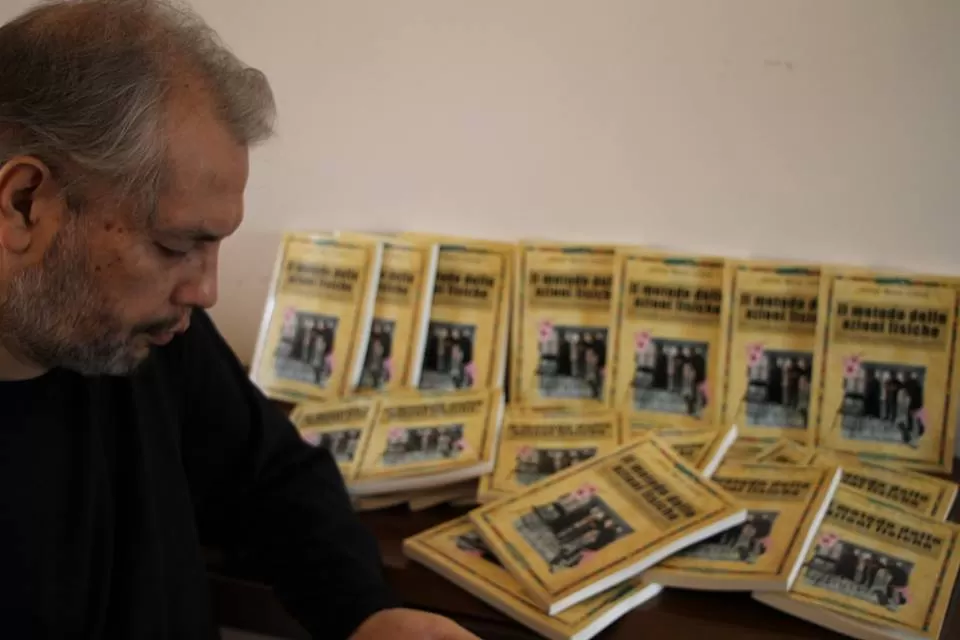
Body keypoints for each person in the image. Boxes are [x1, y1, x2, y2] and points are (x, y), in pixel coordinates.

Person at [0, 1, 478, 639]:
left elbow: (272, 477)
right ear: (24, 204)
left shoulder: (148, 336)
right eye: (176, 246)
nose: (207, 289)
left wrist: (368, 614)